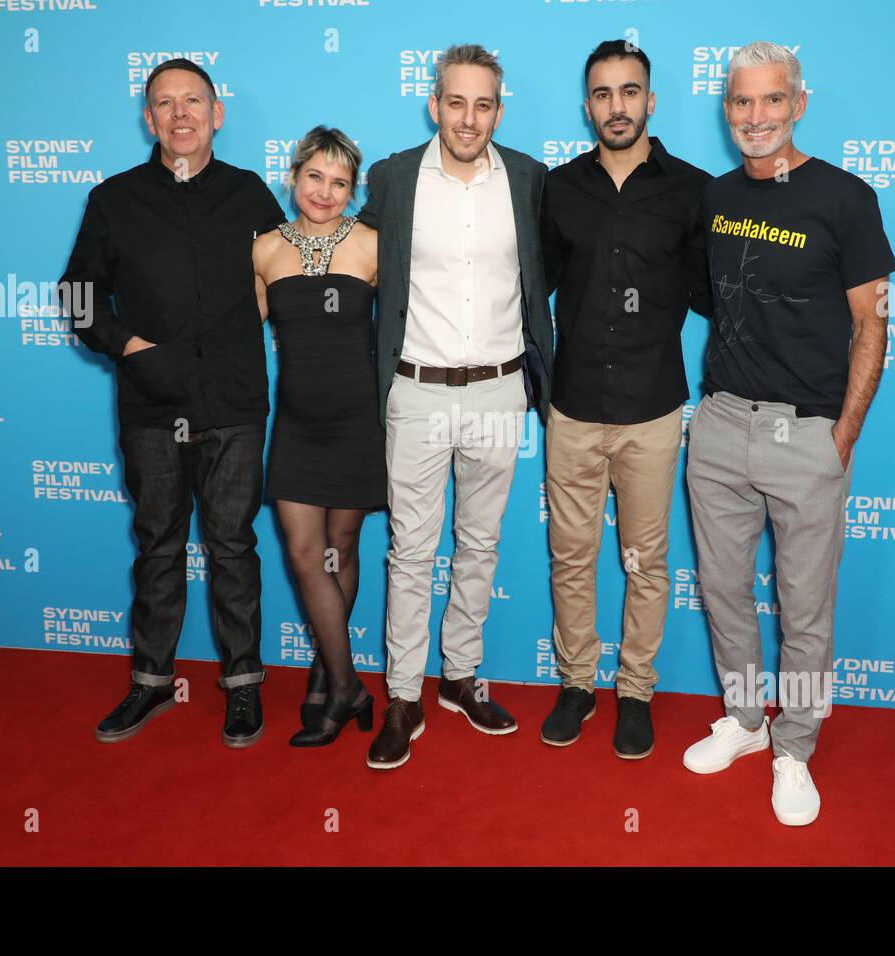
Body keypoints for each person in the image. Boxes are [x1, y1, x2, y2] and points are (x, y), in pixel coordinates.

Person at [681, 41, 895, 825]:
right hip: (720, 423)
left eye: (772, 101)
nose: (756, 117)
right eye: (742, 102)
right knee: (722, 590)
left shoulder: (844, 198)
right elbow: (718, 299)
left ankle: (794, 746)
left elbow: (871, 323)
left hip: (807, 436)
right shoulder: (714, 197)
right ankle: (744, 720)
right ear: (726, 110)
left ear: (798, 105)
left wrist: (842, 434)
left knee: (805, 608)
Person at [61, 58, 285, 748]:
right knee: (157, 544)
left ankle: (243, 685)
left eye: (194, 101)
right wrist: (129, 346)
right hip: (152, 407)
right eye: (166, 103)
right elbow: (77, 299)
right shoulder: (112, 199)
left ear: (218, 114)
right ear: (149, 119)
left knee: (233, 545)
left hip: (236, 403)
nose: (181, 114)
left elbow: (288, 282)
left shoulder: (251, 194)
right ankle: (151, 682)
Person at [357, 44, 555, 770]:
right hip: (415, 388)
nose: (468, 118)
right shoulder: (394, 177)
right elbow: (360, 268)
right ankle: (403, 696)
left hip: (502, 388)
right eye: (455, 102)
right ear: (434, 103)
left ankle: (461, 676)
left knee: (480, 543)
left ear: (498, 110)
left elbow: (546, 276)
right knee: (411, 552)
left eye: (483, 105)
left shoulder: (530, 180)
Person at [538, 40, 711, 759]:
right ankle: (577, 682)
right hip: (573, 407)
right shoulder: (558, 188)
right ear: (588, 107)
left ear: (651, 100)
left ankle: (635, 690)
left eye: (630, 91)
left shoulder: (694, 190)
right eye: (603, 94)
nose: (617, 106)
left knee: (645, 559)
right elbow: (529, 289)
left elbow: (716, 297)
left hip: (652, 410)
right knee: (570, 556)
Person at [251, 126, 383, 747]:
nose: (325, 192)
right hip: (297, 423)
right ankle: (349, 684)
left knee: (341, 548)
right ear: (294, 175)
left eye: (340, 183)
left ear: (352, 191)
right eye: (315, 177)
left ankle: (324, 674)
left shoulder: (373, 245)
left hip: (358, 421)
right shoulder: (263, 250)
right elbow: (236, 338)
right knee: (306, 555)